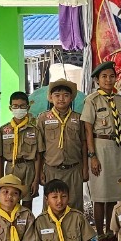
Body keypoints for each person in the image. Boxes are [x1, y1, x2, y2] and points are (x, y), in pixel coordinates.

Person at [83, 61, 121, 241]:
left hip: (116, 148)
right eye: (104, 77)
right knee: (100, 195)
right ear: (97, 80)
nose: (108, 80)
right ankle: (100, 233)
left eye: (111, 76)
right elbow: (88, 129)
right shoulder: (92, 100)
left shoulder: (119, 100)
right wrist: (92, 156)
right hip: (100, 147)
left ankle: (111, 231)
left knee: (113, 194)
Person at [38, 79, 86, 211]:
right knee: (51, 206)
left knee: (74, 205)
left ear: (71, 98)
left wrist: (85, 168)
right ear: (51, 97)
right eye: (57, 95)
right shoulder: (43, 118)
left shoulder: (78, 118)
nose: (61, 99)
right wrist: (40, 171)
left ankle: (75, 225)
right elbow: (40, 148)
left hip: (74, 169)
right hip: (51, 169)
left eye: (65, 95)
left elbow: (84, 143)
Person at [1, 91, 42, 206]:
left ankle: (27, 219)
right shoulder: (3, 130)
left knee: (27, 202)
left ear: (28, 108)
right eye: (15, 106)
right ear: (10, 108)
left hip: (29, 168)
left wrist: (36, 179)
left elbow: (38, 156)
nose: (19, 109)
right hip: (11, 168)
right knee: (10, 202)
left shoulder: (34, 130)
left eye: (22, 106)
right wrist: (0, 178)